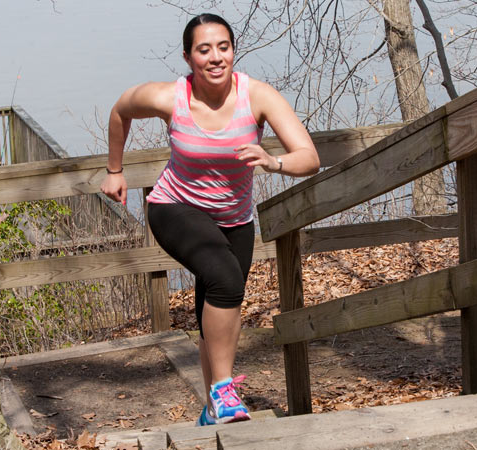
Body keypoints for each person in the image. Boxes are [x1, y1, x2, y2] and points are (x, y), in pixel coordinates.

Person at [100, 13, 320, 425]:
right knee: (225, 278)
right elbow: (120, 110)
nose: (215, 57)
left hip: (235, 219)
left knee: (219, 304)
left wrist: (272, 161)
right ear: (188, 57)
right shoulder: (170, 97)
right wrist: (115, 170)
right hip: (175, 208)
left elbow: (309, 158)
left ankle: (211, 409)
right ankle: (223, 389)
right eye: (204, 50)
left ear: (233, 51)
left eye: (223, 47)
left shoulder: (258, 96)